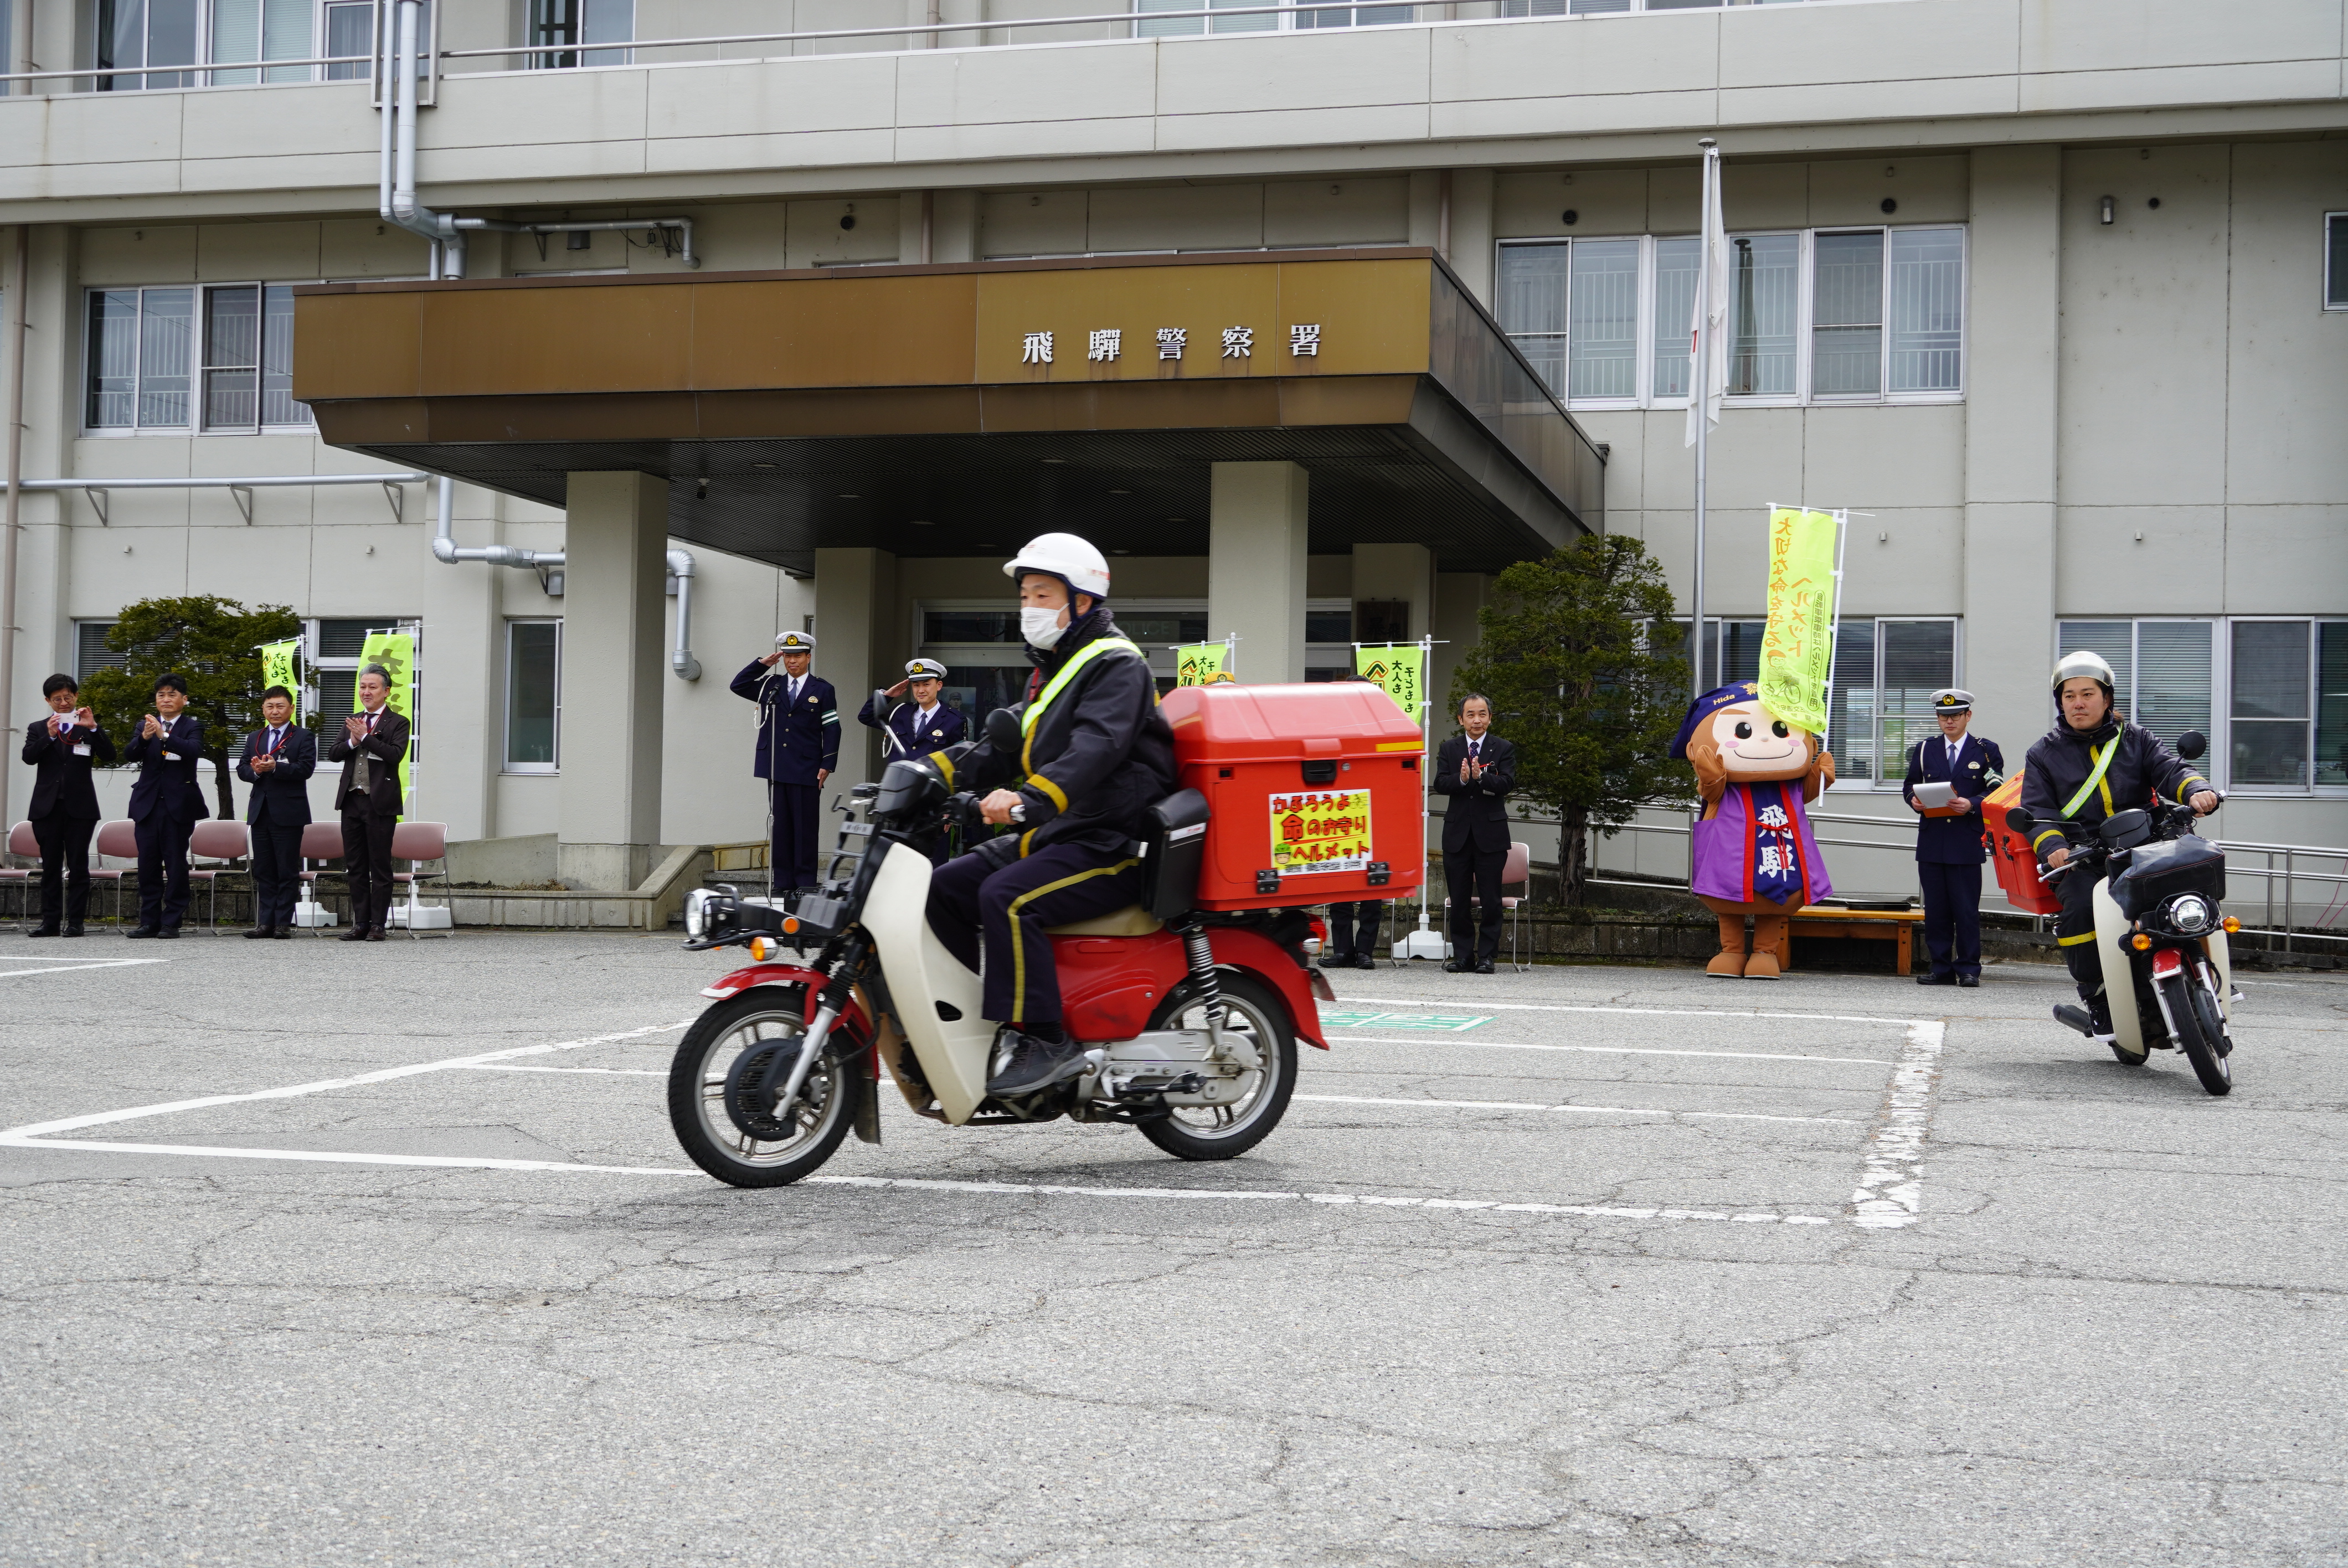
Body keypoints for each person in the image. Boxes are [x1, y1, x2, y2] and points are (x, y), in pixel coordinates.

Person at [924, 532, 1176, 1097]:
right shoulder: (1057, 668)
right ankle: (966, 1025)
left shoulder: (1117, 665)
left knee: (1006, 899)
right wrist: (926, 774)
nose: (1028, 608)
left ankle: (1044, 1039)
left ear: (1081, 601)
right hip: (1065, 831)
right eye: (1025, 597)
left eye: (1041, 595)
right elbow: (1010, 740)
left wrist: (1027, 799)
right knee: (946, 886)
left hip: (1114, 839)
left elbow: (1097, 746)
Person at [2021, 652, 2218, 1044]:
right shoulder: (2043, 754)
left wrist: (2196, 790)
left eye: (2088, 694)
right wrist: (2055, 846)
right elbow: (2037, 811)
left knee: (2190, 888)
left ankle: (2203, 969)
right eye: (2069, 696)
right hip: (2085, 856)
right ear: (2060, 702)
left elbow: (2171, 769)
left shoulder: (2138, 740)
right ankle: (2096, 995)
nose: (2078, 703)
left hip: (2148, 846)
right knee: (2076, 906)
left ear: (2107, 698)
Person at [1901, 688, 2004, 988]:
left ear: (1967, 716)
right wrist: (1913, 801)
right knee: (1936, 908)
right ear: (1937, 718)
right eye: (1943, 716)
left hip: (1966, 839)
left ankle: (1969, 968)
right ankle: (1941, 967)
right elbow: (1910, 785)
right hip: (1933, 839)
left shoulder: (1985, 750)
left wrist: (1972, 804)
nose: (1949, 721)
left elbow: (1996, 790)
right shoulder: (1925, 749)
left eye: (1955, 716)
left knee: (1966, 909)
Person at [732, 630, 837, 898]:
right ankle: (783, 880)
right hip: (777, 766)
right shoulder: (771, 685)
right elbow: (739, 685)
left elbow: (832, 728)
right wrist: (762, 664)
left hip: (807, 766)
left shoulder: (822, 689)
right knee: (780, 826)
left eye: (798, 656)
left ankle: (805, 880)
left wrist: (828, 763)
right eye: (788, 656)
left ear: (808, 657)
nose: (792, 661)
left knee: (805, 826)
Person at [20, 674, 115, 938]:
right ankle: (50, 922)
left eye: (68, 697)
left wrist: (94, 727)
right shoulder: (38, 727)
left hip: (80, 806)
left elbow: (110, 756)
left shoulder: (86, 726)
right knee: (50, 865)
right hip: (47, 807)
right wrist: (49, 736)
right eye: (57, 699)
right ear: (48, 701)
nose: (63, 703)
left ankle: (75, 922)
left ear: (76, 697)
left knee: (78, 864)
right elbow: (28, 757)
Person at [121, 672, 209, 938]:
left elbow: (194, 751)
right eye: (161, 695)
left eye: (172, 695)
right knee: (147, 863)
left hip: (178, 804)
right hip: (147, 803)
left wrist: (166, 736)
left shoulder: (192, 726)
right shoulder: (144, 725)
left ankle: (172, 921)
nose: (166, 699)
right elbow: (129, 754)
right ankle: (149, 921)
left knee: (175, 862)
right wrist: (146, 738)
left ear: (184, 699)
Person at [325, 665, 410, 942]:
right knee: (355, 865)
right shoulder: (353, 720)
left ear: (386, 691)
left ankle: (378, 925)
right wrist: (352, 740)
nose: (366, 692)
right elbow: (334, 753)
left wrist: (366, 738)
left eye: (372, 687)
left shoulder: (398, 722)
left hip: (379, 803)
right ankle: (360, 922)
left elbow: (394, 755)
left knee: (380, 865)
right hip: (351, 801)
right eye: (363, 687)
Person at [1434, 693, 1515, 974]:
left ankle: (1487, 957)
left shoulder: (1503, 748)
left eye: (1482, 714)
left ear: (1490, 717)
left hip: (1491, 835)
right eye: (1471, 715)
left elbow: (1507, 783)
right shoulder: (1450, 748)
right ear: (1461, 719)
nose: (1477, 720)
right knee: (1459, 900)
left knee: (1491, 900)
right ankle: (1463, 956)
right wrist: (1462, 779)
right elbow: (1441, 784)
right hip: (1457, 835)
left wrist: (1481, 778)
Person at [236, 685, 318, 939]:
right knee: (264, 870)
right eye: (270, 706)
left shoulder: (302, 736)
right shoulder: (255, 737)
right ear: (263, 709)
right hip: (260, 811)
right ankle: (265, 923)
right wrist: (256, 772)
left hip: (289, 812)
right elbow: (242, 769)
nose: (275, 711)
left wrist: (275, 768)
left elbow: (305, 769)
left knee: (286, 869)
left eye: (280, 706)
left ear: (291, 709)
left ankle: (283, 922)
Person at [1319, 673, 1386, 972]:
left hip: (1376, 814)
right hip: (1341, 815)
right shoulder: (1331, 729)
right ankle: (1343, 950)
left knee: (1373, 887)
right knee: (1341, 885)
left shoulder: (1384, 728)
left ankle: (1365, 952)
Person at [858, 658, 968, 761]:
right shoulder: (900, 712)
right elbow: (866, 716)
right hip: (899, 780)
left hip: (931, 781)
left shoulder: (954, 720)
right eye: (916, 685)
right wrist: (886, 695)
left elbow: (960, 760)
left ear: (939, 686)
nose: (921, 690)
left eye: (926, 684)